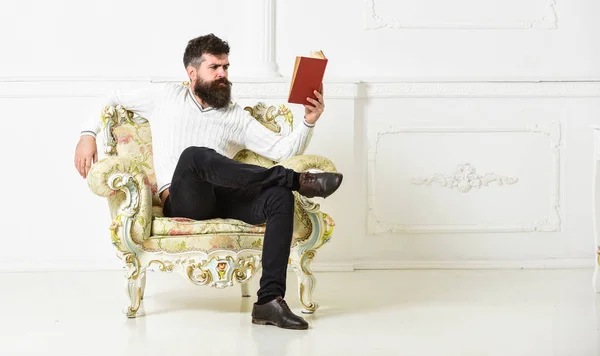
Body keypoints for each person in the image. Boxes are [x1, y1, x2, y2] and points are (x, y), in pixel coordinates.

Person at [74, 33, 343, 330]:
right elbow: (112, 97)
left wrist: (309, 120)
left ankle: (269, 301)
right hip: (186, 199)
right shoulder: (166, 97)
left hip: (229, 198)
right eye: (214, 68)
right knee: (195, 156)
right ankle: (294, 179)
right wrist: (87, 135)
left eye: (226, 67)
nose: (223, 75)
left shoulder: (234, 116)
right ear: (192, 73)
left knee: (281, 197)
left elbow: (282, 150)